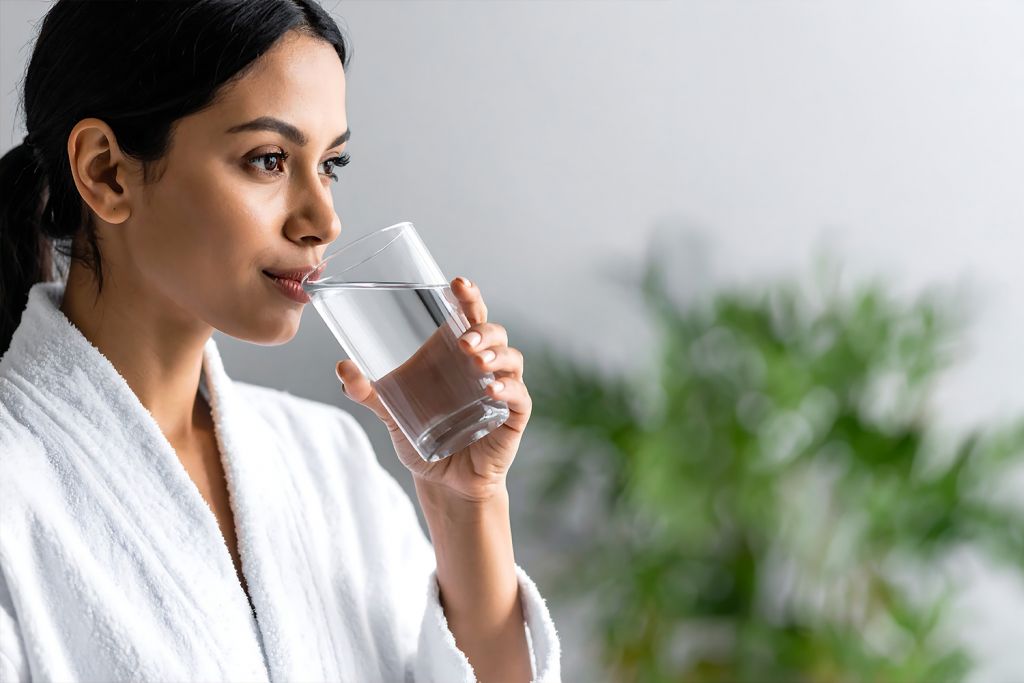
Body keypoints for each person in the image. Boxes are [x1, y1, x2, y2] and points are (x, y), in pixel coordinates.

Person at [0, 2, 560, 681]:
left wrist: (466, 503)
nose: (324, 218)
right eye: (268, 160)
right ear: (106, 171)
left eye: (330, 163)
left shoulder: (328, 458)